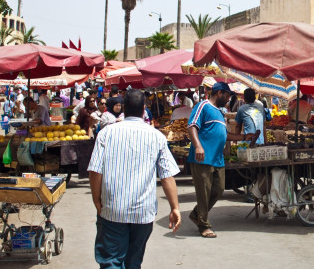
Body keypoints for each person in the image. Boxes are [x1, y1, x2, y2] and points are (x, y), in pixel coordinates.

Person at [88, 89, 181, 269]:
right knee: (134, 262)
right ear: (143, 109)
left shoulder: (107, 133)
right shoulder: (156, 136)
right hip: (143, 213)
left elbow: (95, 171)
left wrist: (96, 200)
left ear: (124, 108)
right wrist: (174, 207)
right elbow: (167, 176)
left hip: (112, 208)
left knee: (111, 261)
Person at [187, 82, 256, 238]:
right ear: (219, 93)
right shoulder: (202, 106)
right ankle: (204, 225)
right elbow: (191, 126)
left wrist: (245, 137)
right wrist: (198, 146)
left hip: (217, 159)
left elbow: (226, 135)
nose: (228, 99)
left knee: (219, 189)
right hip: (203, 157)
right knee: (204, 192)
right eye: (227, 95)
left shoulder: (220, 112)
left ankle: (197, 214)